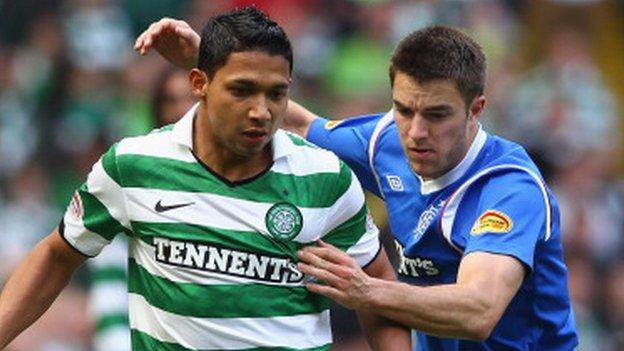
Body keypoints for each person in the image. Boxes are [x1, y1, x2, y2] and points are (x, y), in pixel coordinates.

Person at [135, 18, 579, 351]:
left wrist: (365, 291)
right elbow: (299, 122)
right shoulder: (386, 143)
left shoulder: (508, 189)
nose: (416, 132)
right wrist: (211, 64)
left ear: (475, 109)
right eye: (405, 110)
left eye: (437, 115)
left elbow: (479, 310)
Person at [0, 7, 410, 351]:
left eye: (276, 94)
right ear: (199, 83)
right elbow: (57, 255)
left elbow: (377, 289)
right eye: (242, 91)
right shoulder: (134, 166)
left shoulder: (325, 177)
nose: (261, 111)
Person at [88, 67, 195, 351]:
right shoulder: (133, 178)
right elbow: (109, 291)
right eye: (170, 100)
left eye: (191, 98)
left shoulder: (240, 185)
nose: (182, 109)